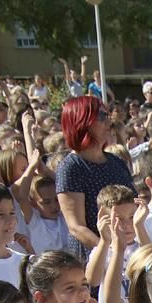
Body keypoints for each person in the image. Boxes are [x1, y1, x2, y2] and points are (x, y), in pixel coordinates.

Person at [56, 96, 133, 261]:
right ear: (81, 121)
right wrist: (111, 253)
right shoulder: (71, 167)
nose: (109, 121)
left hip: (127, 253)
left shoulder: (116, 162)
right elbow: (76, 227)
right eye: (101, 116)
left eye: (107, 115)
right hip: (95, 257)